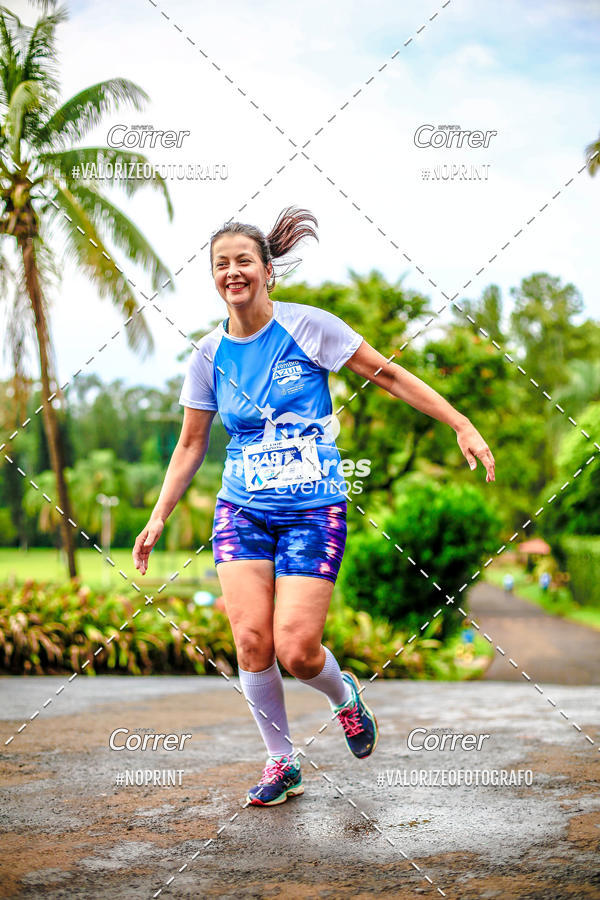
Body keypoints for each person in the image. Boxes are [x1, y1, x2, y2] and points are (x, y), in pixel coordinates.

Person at [132, 205, 496, 807]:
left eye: (243, 261)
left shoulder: (310, 328)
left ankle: (343, 694)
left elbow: (389, 375)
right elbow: (192, 442)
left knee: (296, 651)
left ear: (267, 271)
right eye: (221, 264)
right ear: (213, 276)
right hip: (241, 510)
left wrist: (460, 423)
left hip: (311, 510)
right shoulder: (208, 355)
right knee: (251, 641)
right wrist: (157, 516)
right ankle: (282, 762)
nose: (232, 272)